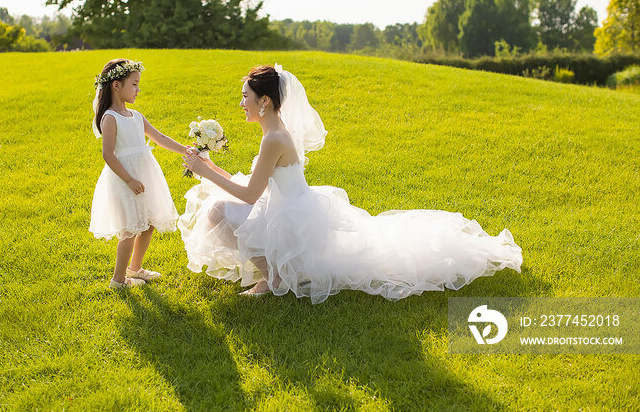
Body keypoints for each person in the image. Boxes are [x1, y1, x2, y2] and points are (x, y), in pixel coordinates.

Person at [179, 65, 523, 304]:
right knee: (218, 208)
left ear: (264, 100)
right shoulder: (274, 130)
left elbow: (251, 195)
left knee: (216, 211)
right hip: (285, 206)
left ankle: (273, 278)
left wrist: (206, 173)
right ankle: (274, 274)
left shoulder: (274, 138)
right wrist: (210, 167)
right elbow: (257, 186)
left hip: (290, 215)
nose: (241, 104)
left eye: (245, 97)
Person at [89, 59, 192, 289]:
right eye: (134, 84)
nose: (138, 89)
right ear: (116, 85)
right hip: (125, 178)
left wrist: (186, 149)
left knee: (148, 223)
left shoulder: (135, 115)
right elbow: (108, 155)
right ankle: (118, 279)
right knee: (130, 228)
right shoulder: (110, 118)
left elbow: (160, 138)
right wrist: (129, 179)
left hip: (144, 174)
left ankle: (134, 269)